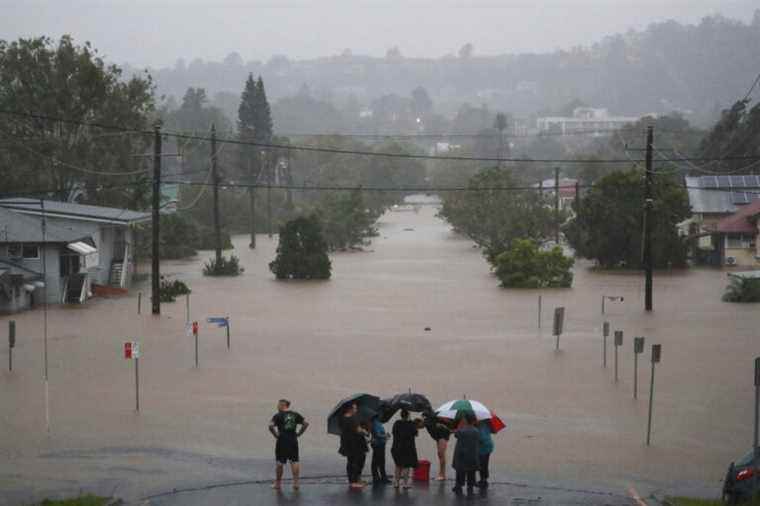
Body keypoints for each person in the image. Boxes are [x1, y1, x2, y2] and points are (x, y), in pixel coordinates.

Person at [269, 399, 309, 491]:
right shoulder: (295, 414)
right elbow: (306, 424)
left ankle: (278, 484)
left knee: (280, 463)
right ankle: (296, 483)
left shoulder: (277, 415)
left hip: (282, 441)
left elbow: (270, 426)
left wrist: (276, 435)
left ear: (283, 405)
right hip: (293, 440)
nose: (277, 406)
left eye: (278, 405)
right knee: (294, 461)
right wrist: (299, 433)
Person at [339, 403, 369, 489]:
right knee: (358, 460)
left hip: (347, 442)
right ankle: (354, 481)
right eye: (355, 408)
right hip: (355, 443)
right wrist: (365, 432)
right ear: (350, 409)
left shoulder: (342, 418)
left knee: (351, 461)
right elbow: (359, 430)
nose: (356, 410)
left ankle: (354, 479)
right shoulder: (352, 419)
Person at [452, 413, 480, 495]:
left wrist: (460, 425)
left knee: (460, 471)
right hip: (472, 454)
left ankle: (459, 485)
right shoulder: (476, 431)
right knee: (471, 470)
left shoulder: (462, 430)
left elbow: (456, 435)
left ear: (466, 420)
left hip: (461, 454)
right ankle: (470, 486)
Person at [390, 409, 419, 489]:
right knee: (406, 466)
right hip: (407, 448)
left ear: (401, 415)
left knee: (398, 465)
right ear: (408, 415)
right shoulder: (411, 424)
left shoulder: (396, 423)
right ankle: (405, 484)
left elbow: (394, 433)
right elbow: (416, 434)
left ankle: (396, 483)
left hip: (396, 447)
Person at [424, 412, 451, 481]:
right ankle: (441, 474)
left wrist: (442, 424)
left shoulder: (437, 419)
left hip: (442, 436)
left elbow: (450, 427)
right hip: (439, 436)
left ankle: (442, 474)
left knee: (441, 454)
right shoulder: (430, 420)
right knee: (440, 454)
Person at [370, 415, 390, 485]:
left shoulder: (377, 422)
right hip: (378, 445)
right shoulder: (375, 423)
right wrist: (386, 436)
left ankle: (380, 477)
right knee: (377, 461)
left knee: (379, 461)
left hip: (379, 444)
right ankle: (377, 478)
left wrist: (385, 435)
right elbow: (377, 434)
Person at [477, 420, 494, 489]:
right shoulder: (486, 423)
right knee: (484, 463)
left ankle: (483, 481)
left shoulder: (480, 426)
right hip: (488, 446)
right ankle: (484, 479)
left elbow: (482, 438)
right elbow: (493, 431)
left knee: (482, 464)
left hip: (484, 447)